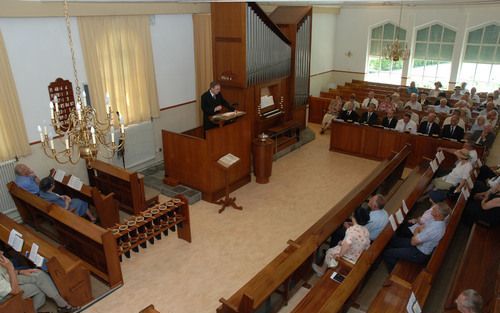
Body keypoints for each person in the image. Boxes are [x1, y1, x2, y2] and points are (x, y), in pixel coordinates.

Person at [382, 202, 450, 271]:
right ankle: (397, 253)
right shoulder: (436, 220)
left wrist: (416, 234)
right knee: (393, 241)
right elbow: (420, 228)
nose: (432, 209)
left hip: (419, 253)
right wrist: (417, 234)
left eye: (434, 209)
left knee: (388, 254)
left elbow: (413, 242)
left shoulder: (435, 229)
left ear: (438, 214)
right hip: (418, 243)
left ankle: (394, 271)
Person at [0, 251, 77, 313]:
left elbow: (5, 273)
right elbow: (15, 291)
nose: (2, 252)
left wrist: (20, 271)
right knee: (40, 288)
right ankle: (64, 307)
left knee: (38, 274)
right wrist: (10, 268)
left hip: (8, 280)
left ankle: (62, 304)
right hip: (6, 297)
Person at [313, 207, 371, 276]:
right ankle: (326, 267)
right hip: (357, 255)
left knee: (330, 251)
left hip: (348, 258)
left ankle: (322, 270)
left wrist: (339, 255)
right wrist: (342, 243)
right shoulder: (366, 230)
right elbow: (365, 244)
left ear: (353, 217)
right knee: (339, 244)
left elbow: (347, 245)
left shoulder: (351, 230)